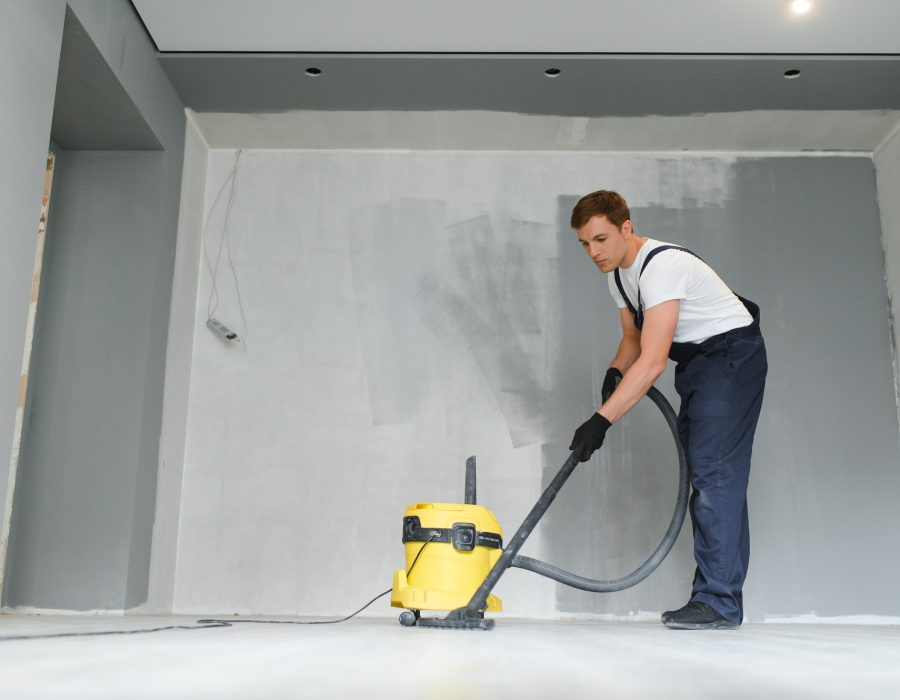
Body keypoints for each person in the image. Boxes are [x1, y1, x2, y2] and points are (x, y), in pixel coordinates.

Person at [567, 190, 767, 630]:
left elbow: (654, 362)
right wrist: (615, 371)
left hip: (731, 357)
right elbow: (633, 342)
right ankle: (720, 595)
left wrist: (601, 421)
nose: (593, 252)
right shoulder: (618, 276)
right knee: (713, 475)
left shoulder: (662, 267)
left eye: (600, 239)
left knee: (715, 474)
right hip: (698, 362)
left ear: (625, 227)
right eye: (584, 244)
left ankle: (718, 603)